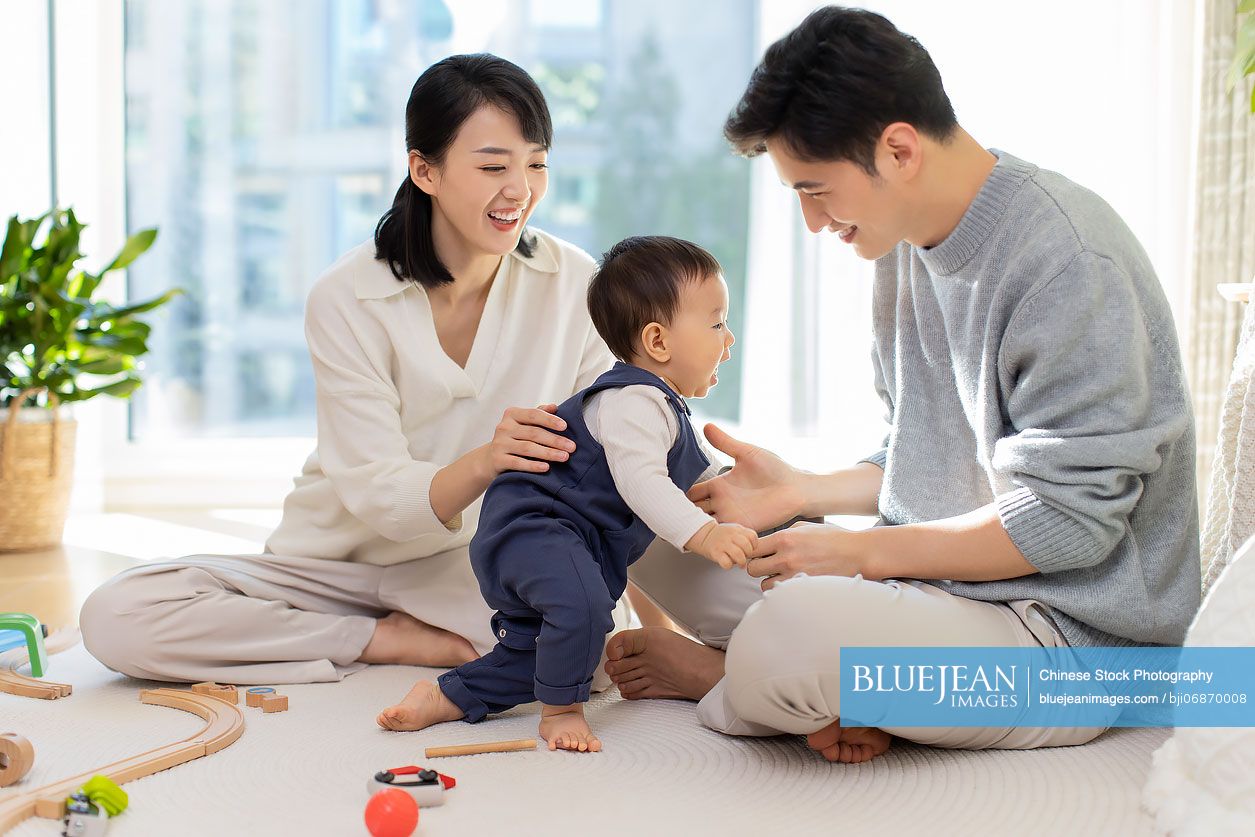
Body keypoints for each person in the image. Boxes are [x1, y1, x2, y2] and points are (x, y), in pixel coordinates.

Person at [600, 6, 1200, 763]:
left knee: (793, 634)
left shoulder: (1067, 263)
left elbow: (1067, 523)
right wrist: (801, 492)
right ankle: (815, 682)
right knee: (649, 518)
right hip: (945, 593)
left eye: (816, 190)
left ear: (898, 149)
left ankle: (725, 672)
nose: (813, 222)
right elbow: (921, 454)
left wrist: (857, 558)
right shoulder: (901, 244)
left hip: (1069, 642)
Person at [78, 54, 645, 685]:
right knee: (116, 614)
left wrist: (644, 617)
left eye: (536, 164)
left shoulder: (576, 284)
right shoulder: (346, 295)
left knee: (587, 657)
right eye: (493, 166)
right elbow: (382, 498)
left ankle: (407, 633)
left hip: (470, 563)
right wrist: (488, 459)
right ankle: (380, 639)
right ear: (424, 170)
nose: (520, 190)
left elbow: (616, 462)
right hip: (330, 565)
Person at [375, 236, 755, 751]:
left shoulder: (662, 410)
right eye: (717, 323)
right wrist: (705, 534)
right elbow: (645, 485)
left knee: (552, 649)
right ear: (659, 342)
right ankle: (561, 712)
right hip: (536, 526)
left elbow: (701, 483)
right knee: (584, 609)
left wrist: (746, 500)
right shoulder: (634, 401)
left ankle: (449, 696)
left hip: (567, 540)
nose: (728, 339)